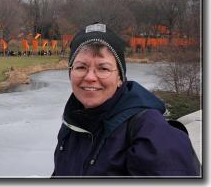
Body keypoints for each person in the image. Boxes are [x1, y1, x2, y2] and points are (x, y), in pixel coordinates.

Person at [52, 23, 200, 177]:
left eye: (103, 68)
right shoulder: (72, 125)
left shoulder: (151, 133)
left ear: (120, 79)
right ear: (70, 73)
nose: (90, 77)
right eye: (81, 67)